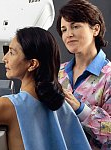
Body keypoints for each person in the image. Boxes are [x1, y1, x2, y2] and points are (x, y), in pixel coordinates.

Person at [0, 27, 91, 150]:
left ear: (32, 64)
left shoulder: (9, 106)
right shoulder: (63, 104)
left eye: (11, 52)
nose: (4, 58)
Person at [56, 0, 111, 149]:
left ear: (95, 29)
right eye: (64, 29)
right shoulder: (57, 72)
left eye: (75, 26)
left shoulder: (109, 76)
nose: (69, 34)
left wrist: (80, 108)